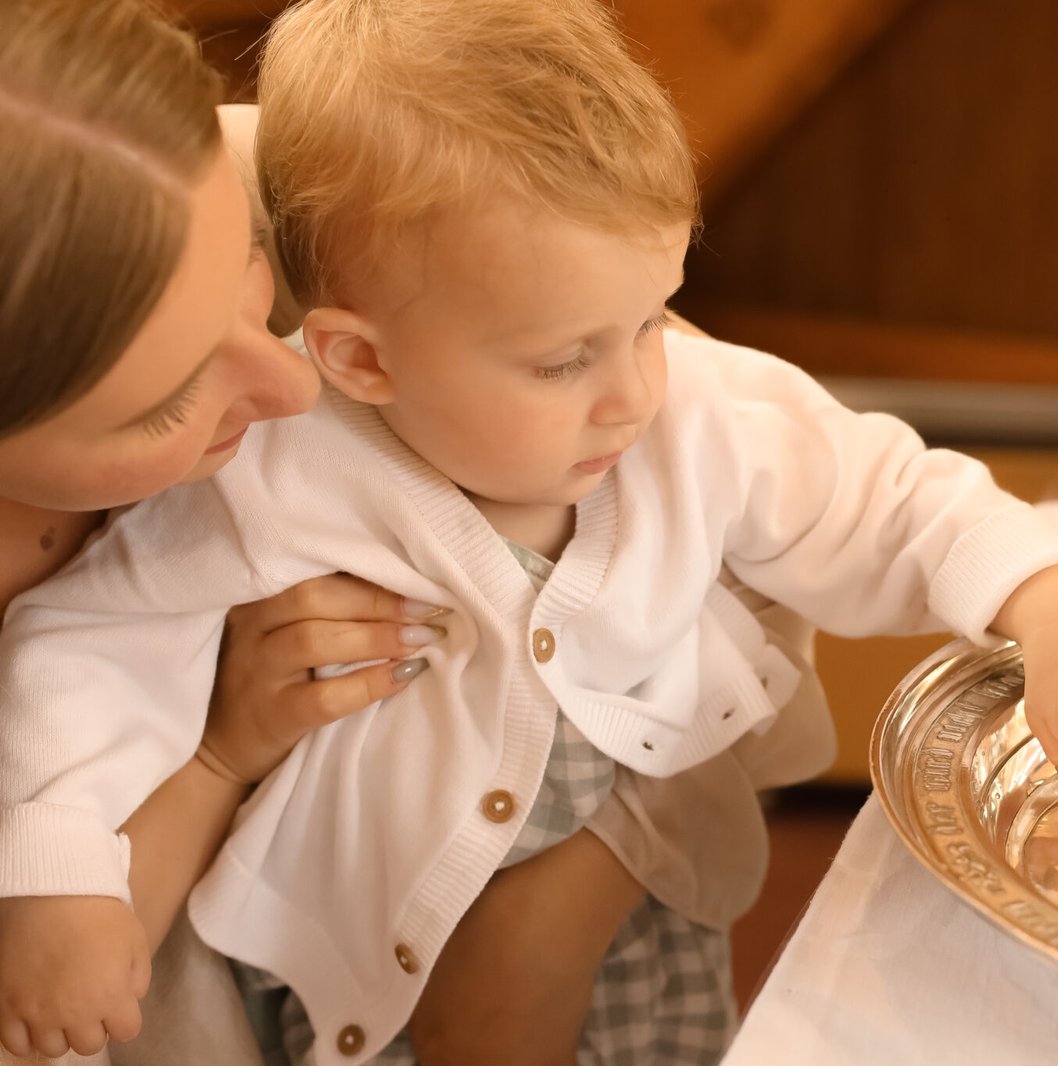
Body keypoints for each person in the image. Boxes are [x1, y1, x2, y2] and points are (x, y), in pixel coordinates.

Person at [0, 0, 1058, 1063]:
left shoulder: (690, 411)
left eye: (654, 314)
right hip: (363, 934)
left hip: (628, 940)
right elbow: (96, 637)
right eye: (564, 357)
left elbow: (890, 498)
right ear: (360, 357)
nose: (638, 388)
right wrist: (57, 871)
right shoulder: (274, 466)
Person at [0, 3, 655, 1063]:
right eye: (166, 402)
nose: (292, 380)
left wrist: (573, 880)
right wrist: (218, 755)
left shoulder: (222, 161)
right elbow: (57, 1017)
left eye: (255, 265)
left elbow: (621, 342)